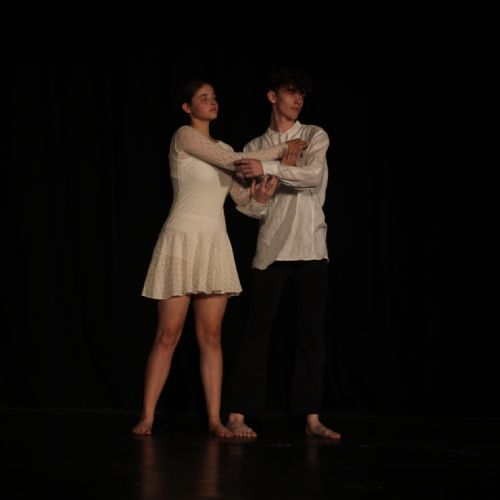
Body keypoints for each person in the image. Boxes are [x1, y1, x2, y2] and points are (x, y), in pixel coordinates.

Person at [132, 79, 306, 437]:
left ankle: (214, 419)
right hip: (182, 238)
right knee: (168, 334)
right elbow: (231, 161)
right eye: (203, 98)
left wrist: (261, 197)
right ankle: (147, 416)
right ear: (187, 107)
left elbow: (242, 201)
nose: (212, 102)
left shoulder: (227, 148)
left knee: (211, 336)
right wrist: (281, 149)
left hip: (214, 243)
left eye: (214, 97)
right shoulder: (184, 137)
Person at [226, 68, 341, 440]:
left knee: (311, 334)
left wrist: (270, 167)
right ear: (272, 96)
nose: (298, 100)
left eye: (302, 95)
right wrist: (261, 195)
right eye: (291, 92)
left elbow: (312, 176)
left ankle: (310, 418)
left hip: (310, 244)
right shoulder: (255, 146)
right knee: (256, 333)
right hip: (272, 246)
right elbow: (249, 208)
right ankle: (239, 414)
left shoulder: (313, 135)